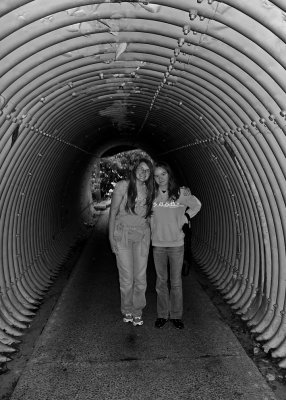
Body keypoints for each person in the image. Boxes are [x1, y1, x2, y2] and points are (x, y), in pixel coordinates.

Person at [150, 161, 202, 330]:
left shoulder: (180, 193)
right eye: (156, 175)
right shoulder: (152, 194)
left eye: (163, 174)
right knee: (161, 282)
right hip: (158, 244)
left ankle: (176, 316)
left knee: (176, 282)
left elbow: (197, 205)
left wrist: (186, 216)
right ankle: (162, 315)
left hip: (176, 244)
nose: (160, 178)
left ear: (169, 174)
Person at [108, 157, 154, 326]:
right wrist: (111, 238)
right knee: (127, 278)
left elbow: (166, 194)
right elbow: (112, 213)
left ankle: (137, 311)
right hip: (123, 236)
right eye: (141, 169)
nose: (144, 173)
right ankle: (127, 309)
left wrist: (183, 191)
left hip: (142, 236)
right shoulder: (123, 186)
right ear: (135, 169)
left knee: (140, 278)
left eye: (148, 170)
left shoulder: (151, 189)